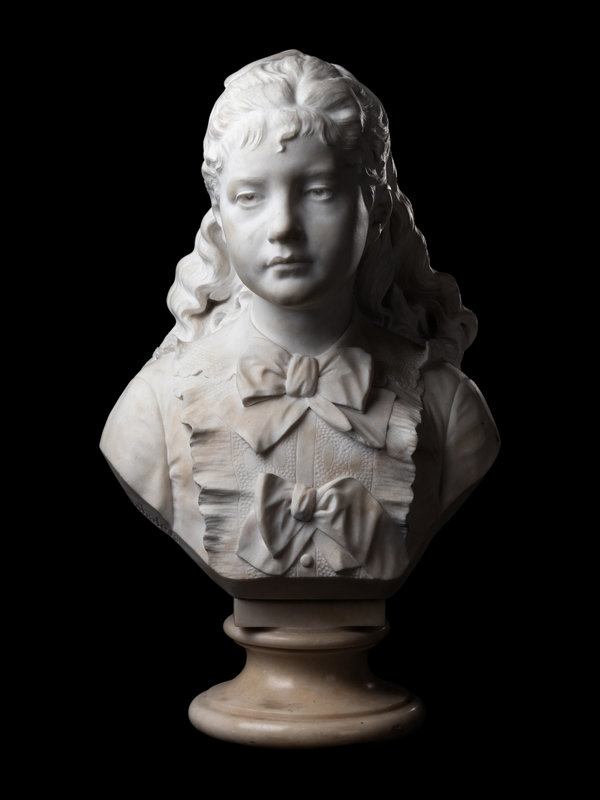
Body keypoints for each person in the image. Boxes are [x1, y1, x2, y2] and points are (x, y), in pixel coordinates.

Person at [100, 50, 500, 597]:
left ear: (376, 209)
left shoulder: (447, 406)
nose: (283, 226)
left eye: (318, 191)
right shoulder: (154, 408)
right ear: (219, 215)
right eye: (250, 196)